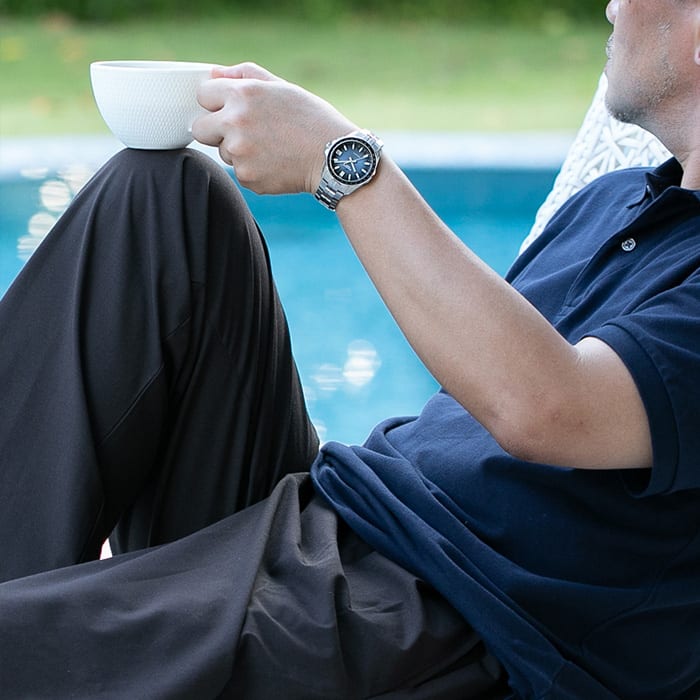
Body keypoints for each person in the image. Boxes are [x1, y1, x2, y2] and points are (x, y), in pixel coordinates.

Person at [0, 0, 699, 697]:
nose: (613, 4)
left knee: (21, 643)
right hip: (341, 516)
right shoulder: (614, 201)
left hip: (453, 617)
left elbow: (547, 407)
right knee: (157, 197)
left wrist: (339, 161)